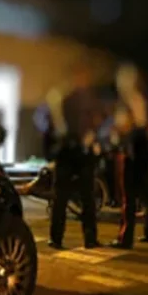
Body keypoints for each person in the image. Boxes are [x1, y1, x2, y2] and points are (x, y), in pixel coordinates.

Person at [45, 60, 105, 250]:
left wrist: (92, 136)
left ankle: (86, 238)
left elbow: (96, 121)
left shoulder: (78, 97)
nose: (84, 80)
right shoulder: (65, 97)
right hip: (70, 150)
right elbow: (58, 125)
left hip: (77, 151)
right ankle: (61, 238)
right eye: (82, 75)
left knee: (83, 197)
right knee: (64, 197)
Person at [110, 63, 148, 248]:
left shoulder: (126, 101)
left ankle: (125, 238)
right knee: (147, 191)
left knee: (128, 195)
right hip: (142, 146)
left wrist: (123, 133)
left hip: (129, 147)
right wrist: (145, 136)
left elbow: (122, 126)